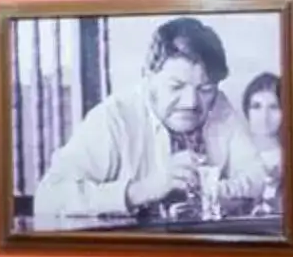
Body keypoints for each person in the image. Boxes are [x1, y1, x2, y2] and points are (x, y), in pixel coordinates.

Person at [30, 17, 265, 226]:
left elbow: (257, 178)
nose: (191, 102)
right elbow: (48, 199)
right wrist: (142, 190)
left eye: (205, 89)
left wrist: (207, 192)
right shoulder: (114, 117)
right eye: (176, 86)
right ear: (148, 77)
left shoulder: (219, 105)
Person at [239, 70, 287, 214]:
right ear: (247, 110)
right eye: (256, 107)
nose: (264, 116)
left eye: (274, 107)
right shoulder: (235, 157)